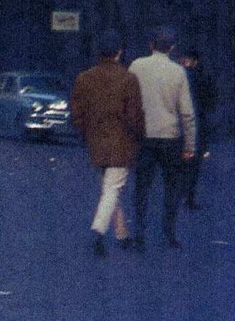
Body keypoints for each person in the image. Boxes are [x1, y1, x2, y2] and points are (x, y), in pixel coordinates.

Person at [70, 29, 144, 257]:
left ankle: (121, 234)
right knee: (113, 188)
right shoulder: (128, 79)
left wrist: (86, 132)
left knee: (110, 187)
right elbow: (134, 116)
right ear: (119, 53)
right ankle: (98, 231)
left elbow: (76, 113)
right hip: (120, 141)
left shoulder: (84, 78)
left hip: (95, 141)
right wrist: (140, 136)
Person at [128, 26, 196, 250]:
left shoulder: (137, 66)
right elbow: (186, 112)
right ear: (172, 48)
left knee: (142, 186)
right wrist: (189, 144)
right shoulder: (178, 72)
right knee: (171, 186)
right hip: (170, 136)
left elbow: (129, 101)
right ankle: (169, 231)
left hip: (145, 135)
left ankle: (139, 232)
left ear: (151, 45)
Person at [178, 46, 216, 209]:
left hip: (182, 123)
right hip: (199, 123)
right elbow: (211, 103)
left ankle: (181, 195)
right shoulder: (204, 77)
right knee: (194, 164)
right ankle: (189, 197)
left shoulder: (181, 77)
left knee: (183, 163)